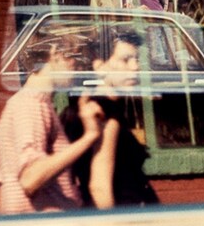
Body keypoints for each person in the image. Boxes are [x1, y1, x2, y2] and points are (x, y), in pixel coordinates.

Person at [0, 35, 104, 214]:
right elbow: (30, 179)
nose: (76, 68)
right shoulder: (31, 105)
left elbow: (6, 184)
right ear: (54, 54)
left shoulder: (33, 103)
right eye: (74, 59)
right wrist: (89, 137)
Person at [61, 32, 158, 208]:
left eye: (136, 59)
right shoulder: (103, 114)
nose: (135, 67)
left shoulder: (103, 108)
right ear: (99, 66)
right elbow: (99, 187)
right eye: (125, 59)